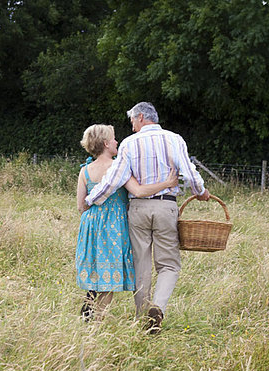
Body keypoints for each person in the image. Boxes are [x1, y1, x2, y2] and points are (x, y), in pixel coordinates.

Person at [85, 102, 209, 334]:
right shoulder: (175, 139)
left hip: (138, 209)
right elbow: (190, 173)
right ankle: (157, 309)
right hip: (165, 208)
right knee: (169, 265)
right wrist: (200, 192)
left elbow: (114, 179)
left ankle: (143, 316)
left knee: (140, 265)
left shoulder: (130, 144)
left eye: (132, 121)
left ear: (142, 117)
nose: (132, 127)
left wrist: (92, 199)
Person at [75, 124, 178, 321]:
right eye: (114, 139)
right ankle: (97, 321)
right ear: (106, 143)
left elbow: (81, 206)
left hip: (90, 224)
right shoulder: (118, 168)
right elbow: (138, 191)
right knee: (109, 273)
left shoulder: (85, 171)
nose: (117, 142)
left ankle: (91, 302)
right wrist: (167, 184)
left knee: (96, 268)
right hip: (113, 226)